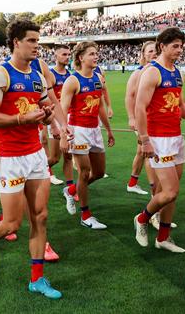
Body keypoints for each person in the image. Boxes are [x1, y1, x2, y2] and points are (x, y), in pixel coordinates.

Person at [0, 19, 64, 299]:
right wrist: (22, 118)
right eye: (32, 41)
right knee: (12, 223)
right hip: (10, 157)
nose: (37, 46)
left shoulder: (37, 72)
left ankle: (37, 279)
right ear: (16, 42)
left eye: (38, 41)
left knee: (41, 216)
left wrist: (49, 116)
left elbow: (42, 104)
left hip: (35, 153)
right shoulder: (1, 74)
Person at [133, 27, 185, 253]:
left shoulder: (178, 73)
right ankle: (142, 219)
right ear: (162, 46)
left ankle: (163, 237)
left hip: (175, 137)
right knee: (169, 191)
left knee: (172, 192)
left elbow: (178, 102)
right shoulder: (152, 72)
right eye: (175, 46)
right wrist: (145, 140)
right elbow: (140, 107)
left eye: (181, 46)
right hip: (158, 138)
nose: (180, 50)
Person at [60, 41, 114, 229]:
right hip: (78, 131)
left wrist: (108, 129)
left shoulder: (98, 77)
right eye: (91, 54)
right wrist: (63, 135)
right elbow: (63, 109)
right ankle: (86, 215)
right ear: (81, 57)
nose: (95, 56)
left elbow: (99, 106)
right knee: (84, 172)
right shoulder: (72, 81)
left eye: (96, 53)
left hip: (95, 129)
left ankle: (71, 190)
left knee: (98, 172)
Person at [124, 41, 156, 196]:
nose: (154, 53)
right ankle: (154, 192)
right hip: (143, 120)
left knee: (141, 152)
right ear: (143, 54)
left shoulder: (158, 71)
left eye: (156, 50)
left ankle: (132, 183)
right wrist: (131, 118)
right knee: (150, 152)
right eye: (150, 51)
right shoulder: (138, 73)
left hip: (155, 119)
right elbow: (129, 96)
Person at [46, 45, 75, 197]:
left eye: (69, 54)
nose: (67, 57)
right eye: (64, 54)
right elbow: (47, 101)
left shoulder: (70, 75)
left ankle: (70, 189)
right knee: (55, 158)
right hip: (56, 119)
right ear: (56, 56)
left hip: (68, 118)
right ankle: (37, 171)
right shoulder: (51, 75)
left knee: (68, 155)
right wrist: (52, 125)